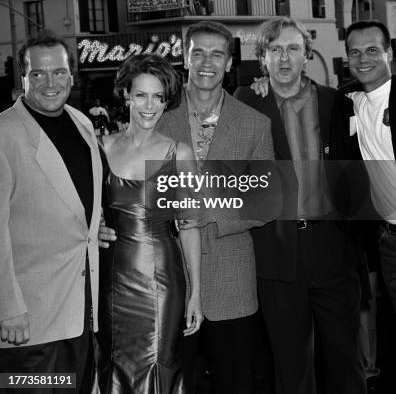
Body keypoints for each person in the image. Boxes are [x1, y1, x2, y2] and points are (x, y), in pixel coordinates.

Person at [235, 16, 366, 394]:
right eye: (274, 50)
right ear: (262, 59)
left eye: (293, 48)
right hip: (277, 254)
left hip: (333, 250)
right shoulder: (247, 102)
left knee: (345, 361)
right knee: (292, 368)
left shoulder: (336, 101)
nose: (284, 57)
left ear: (307, 54)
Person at [158, 21, 278, 394]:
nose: (206, 62)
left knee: (236, 382)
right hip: (170, 279)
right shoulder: (158, 121)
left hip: (232, 280)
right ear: (185, 59)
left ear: (229, 63)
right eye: (198, 53)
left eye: (216, 54)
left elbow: (267, 199)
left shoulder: (254, 124)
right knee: (177, 384)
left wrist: (208, 212)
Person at [0, 30, 102, 394]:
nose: (49, 83)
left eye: (58, 72)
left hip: (80, 313)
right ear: (22, 79)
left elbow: (77, 205)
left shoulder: (82, 123)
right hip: (29, 320)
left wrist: (97, 227)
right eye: (37, 74)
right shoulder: (4, 132)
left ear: (72, 75)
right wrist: (7, 306)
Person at [97, 54, 203, 394]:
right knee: (113, 365)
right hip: (111, 279)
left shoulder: (179, 154)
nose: (149, 105)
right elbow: (84, 213)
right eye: (141, 95)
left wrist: (196, 293)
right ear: (126, 95)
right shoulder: (99, 148)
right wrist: (93, 230)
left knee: (158, 363)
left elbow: (189, 227)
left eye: (158, 97)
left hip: (161, 282)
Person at [345, 21, 396, 313]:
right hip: (388, 239)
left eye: (373, 50)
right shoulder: (350, 101)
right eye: (355, 52)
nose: (363, 59)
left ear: (388, 52)